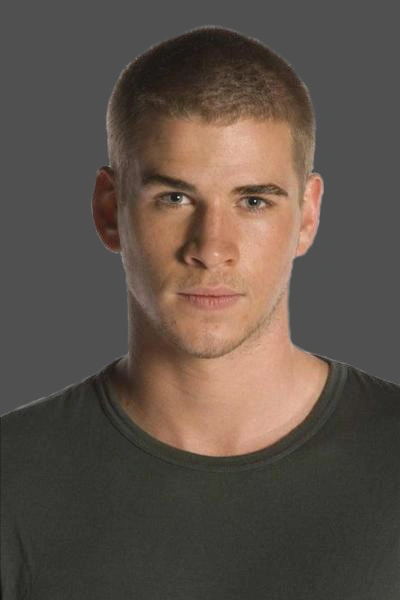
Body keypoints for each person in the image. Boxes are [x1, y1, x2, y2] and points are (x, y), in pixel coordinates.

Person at [2, 26, 399, 599]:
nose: (211, 248)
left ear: (308, 216)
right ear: (110, 211)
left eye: (254, 201)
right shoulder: (13, 477)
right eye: (175, 198)